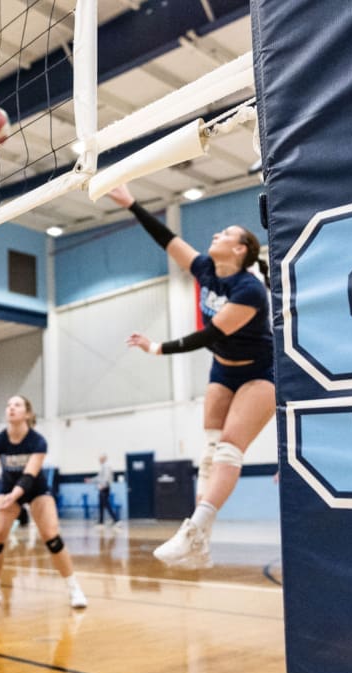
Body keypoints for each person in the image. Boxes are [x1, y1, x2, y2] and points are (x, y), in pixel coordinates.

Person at [112, 185, 274, 569]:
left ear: (240, 250)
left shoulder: (249, 290)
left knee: (231, 449)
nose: (216, 235)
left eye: (226, 234)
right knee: (209, 453)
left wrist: (157, 348)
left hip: (259, 373)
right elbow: (168, 240)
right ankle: (201, 546)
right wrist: (133, 203)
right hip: (223, 370)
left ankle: (195, 530)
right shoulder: (205, 268)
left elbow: (210, 334)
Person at [0, 395, 87, 609]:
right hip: (9, 490)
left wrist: (15, 494)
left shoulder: (37, 441)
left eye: (17, 405)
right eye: (8, 404)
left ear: (27, 414)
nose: (11, 408)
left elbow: (29, 476)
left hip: (35, 490)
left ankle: (74, 588)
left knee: (51, 537)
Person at [87, 453, 120, 527]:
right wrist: (90, 480)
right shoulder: (103, 466)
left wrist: (103, 485)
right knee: (101, 505)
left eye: (100, 458)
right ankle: (101, 521)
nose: (99, 460)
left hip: (104, 487)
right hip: (103, 487)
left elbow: (106, 477)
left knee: (107, 505)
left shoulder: (106, 466)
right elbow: (99, 477)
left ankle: (116, 520)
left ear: (104, 458)